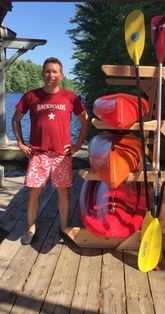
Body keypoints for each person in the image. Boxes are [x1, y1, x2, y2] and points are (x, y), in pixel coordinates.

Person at [12, 57, 90, 245]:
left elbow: (85, 120)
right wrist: (21, 144)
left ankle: (63, 226)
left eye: (55, 71)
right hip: (38, 154)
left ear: (61, 75)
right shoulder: (31, 96)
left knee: (63, 192)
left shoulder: (70, 97)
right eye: (47, 71)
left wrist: (78, 145)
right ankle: (31, 227)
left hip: (62, 155)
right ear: (42, 74)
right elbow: (15, 119)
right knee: (34, 191)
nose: (51, 75)